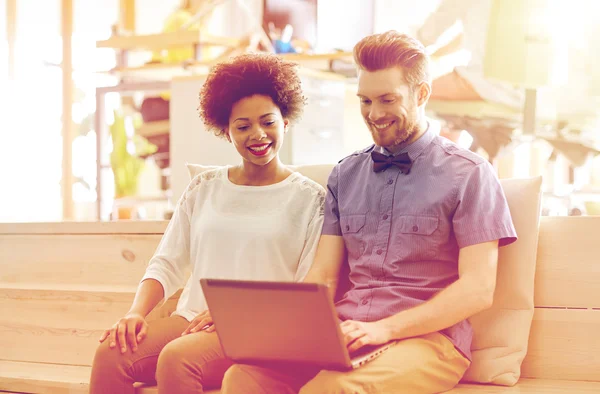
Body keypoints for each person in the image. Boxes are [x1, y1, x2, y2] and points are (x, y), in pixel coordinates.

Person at [221, 31, 518, 394]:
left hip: (428, 341)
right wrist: (285, 328)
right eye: (365, 101)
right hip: (348, 330)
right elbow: (324, 276)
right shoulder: (345, 175)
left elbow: (478, 290)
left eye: (387, 99)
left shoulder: (471, 174)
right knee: (243, 378)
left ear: (421, 94)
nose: (374, 114)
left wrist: (385, 329)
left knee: (329, 390)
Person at [89, 53, 326, 394]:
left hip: (257, 330)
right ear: (226, 132)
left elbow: (305, 290)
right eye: (243, 126)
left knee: (177, 359)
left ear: (285, 122)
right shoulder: (204, 188)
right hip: (190, 320)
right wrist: (135, 313)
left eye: (268, 122)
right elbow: (166, 263)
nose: (258, 134)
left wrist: (239, 313)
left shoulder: (310, 199)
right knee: (111, 353)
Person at [417, 0, 524, 110]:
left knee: (413, 95)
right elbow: (475, 36)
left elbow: (428, 33)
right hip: (529, 94)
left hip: (485, 85)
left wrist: (416, 39)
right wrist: (436, 54)